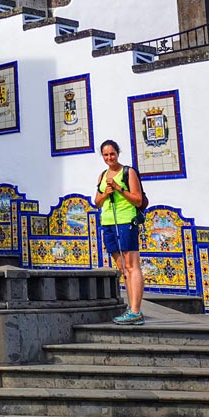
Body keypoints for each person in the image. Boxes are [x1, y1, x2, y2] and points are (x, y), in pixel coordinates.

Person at [93, 139, 145, 325]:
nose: (109, 157)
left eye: (112, 154)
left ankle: (136, 310)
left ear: (118, 153)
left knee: (132, 266)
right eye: (106, 155)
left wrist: (118, 188)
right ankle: (131, 308)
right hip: (108, 223)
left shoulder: (128, 172)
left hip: (125, 221)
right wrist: (106, 193)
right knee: (123, 268)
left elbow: (138, 200)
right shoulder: (102, 175)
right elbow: (97, 201)